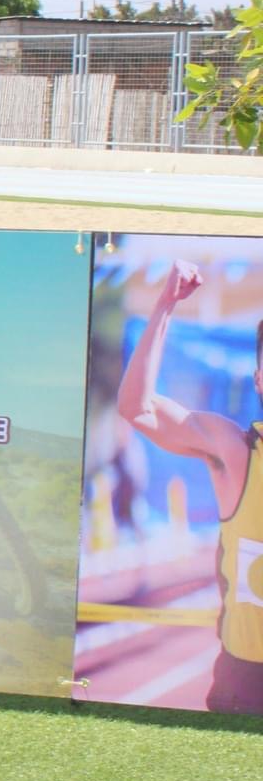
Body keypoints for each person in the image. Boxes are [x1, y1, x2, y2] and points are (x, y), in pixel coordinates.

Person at [117, 260, 263, 713]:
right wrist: (165, 305)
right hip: (247, 680)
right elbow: (137, 408)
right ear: (259, 380)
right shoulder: (236, 451)